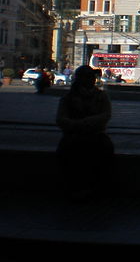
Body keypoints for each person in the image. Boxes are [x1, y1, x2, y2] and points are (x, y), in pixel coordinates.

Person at [56, 65, 113, 199]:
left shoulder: (101, 96)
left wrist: (85, 122)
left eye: (92, 77)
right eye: (88, 77)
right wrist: (78, 125)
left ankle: (92, 187)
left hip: (94, 135)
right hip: (75, 135)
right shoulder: (68, 98)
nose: (92, 80)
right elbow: (61, 119)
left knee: (101, 150)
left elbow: (106, 115)